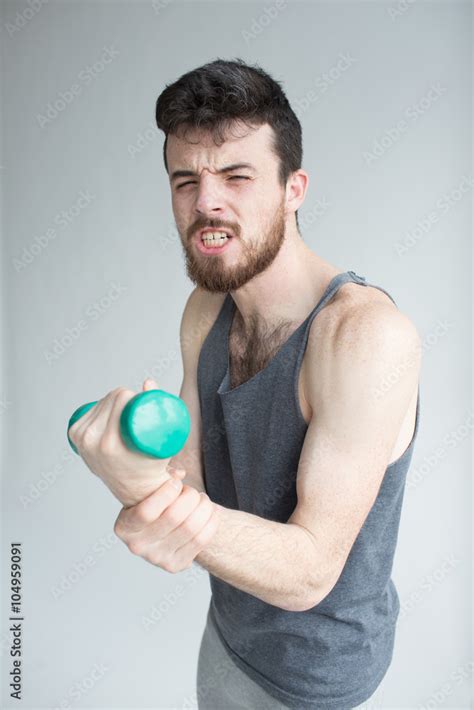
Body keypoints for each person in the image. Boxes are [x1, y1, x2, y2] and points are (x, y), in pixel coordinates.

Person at [74, 58, 422, 709]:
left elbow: (309, 570)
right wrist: (136, 464)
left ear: (294, 188)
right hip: (230, 633)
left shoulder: (364, 337)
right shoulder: (207, 310)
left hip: (318, 679)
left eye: (237, 176)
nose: (207, 202)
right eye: (186, 181)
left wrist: (148, 496)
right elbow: (189, 482)